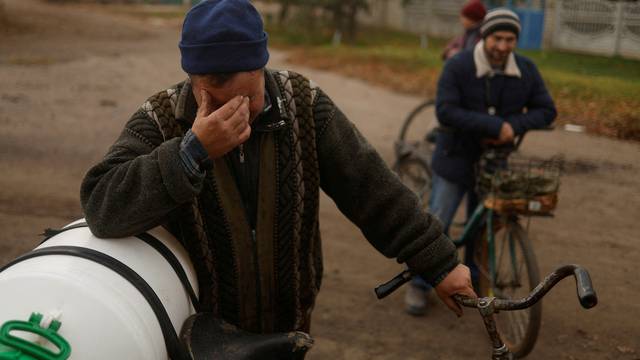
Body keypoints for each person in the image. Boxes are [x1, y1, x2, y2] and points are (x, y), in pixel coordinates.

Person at [80, 0, 476, 339]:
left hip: (289, 329)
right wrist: (192, 151)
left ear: (261, 68)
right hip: (197, 336)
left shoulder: (304, 104)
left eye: (248, 99)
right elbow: (102, 206)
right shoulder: (162, 118)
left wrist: (438, 263)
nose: (234, 114)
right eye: (216, 101)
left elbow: (372, 190)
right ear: (194, 80)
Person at [405, 8, 557, 316]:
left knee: (484, 228)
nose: (502, 46)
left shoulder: (525, 70)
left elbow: (547, 110)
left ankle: (472, 285)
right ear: (484, 36)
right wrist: (493, 126)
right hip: (454, 159)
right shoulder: (458, 66)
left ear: (516, 39)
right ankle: (420, 285)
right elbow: (445, 111)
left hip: (493, 165)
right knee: (439, 224)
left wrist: (513, 126)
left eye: (510, 39)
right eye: (497, 38)